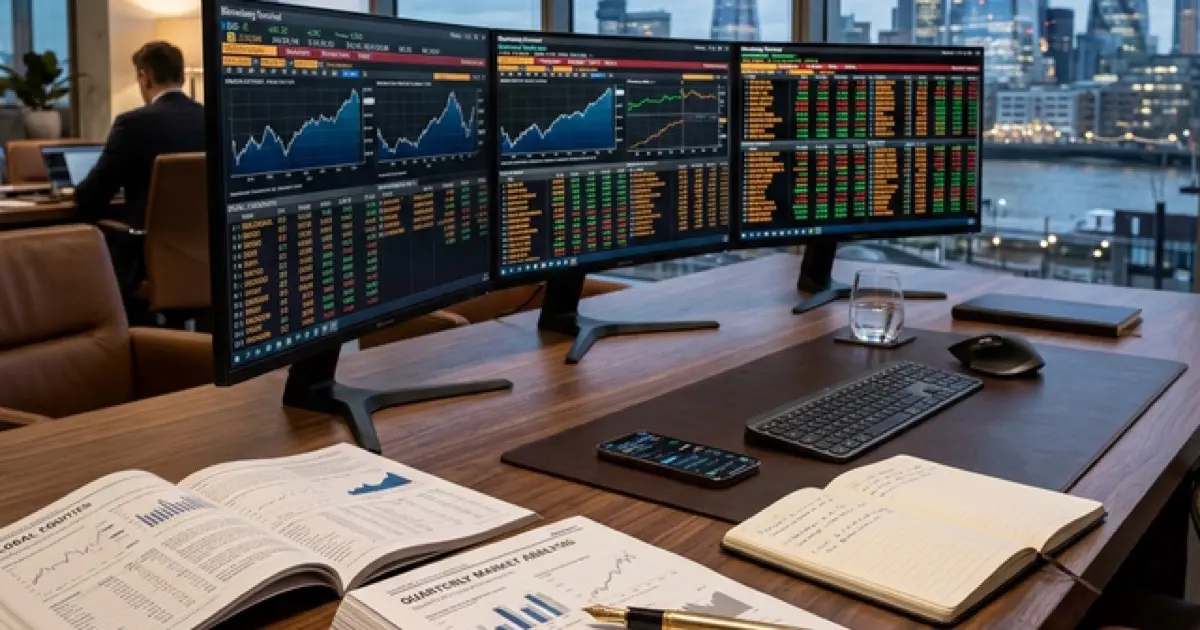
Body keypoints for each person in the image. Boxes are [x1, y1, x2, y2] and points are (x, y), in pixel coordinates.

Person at [76, 41, 205, 321]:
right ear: (182, 77)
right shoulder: (213, 118)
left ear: (144, 78)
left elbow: (90, 199)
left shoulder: (132, 124)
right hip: (210, 261)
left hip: (147, 261)